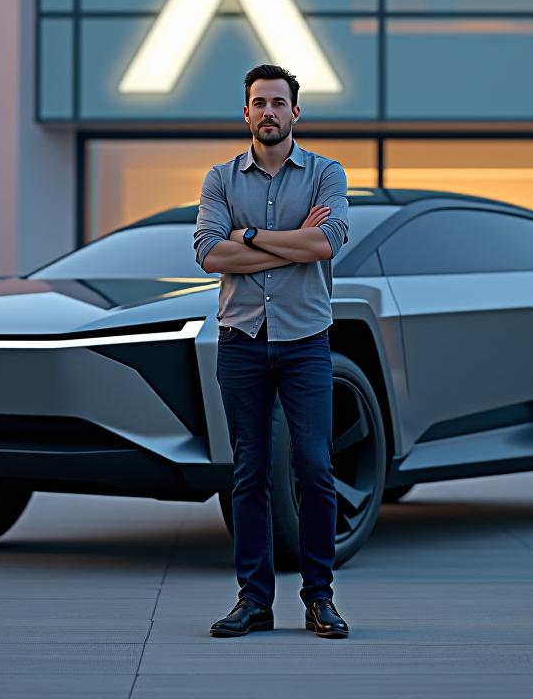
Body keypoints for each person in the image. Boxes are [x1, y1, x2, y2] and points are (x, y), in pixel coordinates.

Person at [194, 63, 351, 640]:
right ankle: (254, 602)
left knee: (314, 468)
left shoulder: (326, 173)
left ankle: (320, 600)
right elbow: (209, 254)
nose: (268, 112)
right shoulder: (219, 178)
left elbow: (328, 242)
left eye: (278, 103)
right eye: (258, 103)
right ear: (246, 113)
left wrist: (251, 238)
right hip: (240, 342)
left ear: (295, 112)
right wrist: (294, 246)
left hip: (306, 341)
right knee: (249, 474)